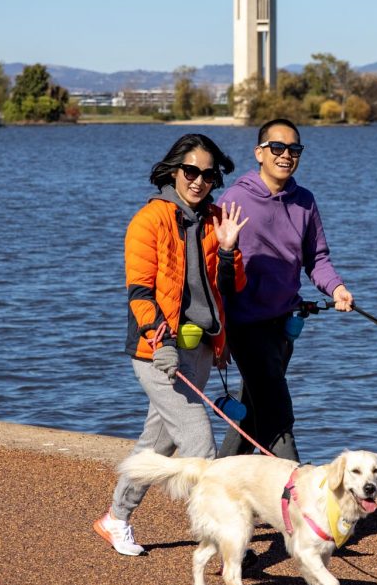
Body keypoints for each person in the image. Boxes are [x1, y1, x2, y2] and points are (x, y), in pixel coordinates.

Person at [93, 133, 248, 556]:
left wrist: (231, 251)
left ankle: (115, 519)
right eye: (191, 171)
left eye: (208, 174)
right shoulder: (149, 220)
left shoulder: (217, 219)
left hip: (200, 349)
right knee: (200, 445)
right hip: (156, 351)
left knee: (156, 445)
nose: (198, 181)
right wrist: (158, 341)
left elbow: (229, 290)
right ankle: (221, 541)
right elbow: (140, 293)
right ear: (174, 171)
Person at [216, 118, 353, 461]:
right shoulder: (235, 199)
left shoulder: (304, 201)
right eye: (277, 148)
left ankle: (219, 480)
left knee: (254, 406)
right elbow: (215, 265)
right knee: (277, 412)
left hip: (283, 325)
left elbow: (317, 258)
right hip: (244, 326)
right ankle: (295, 495)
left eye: (294, 149)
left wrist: (336, 288)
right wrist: (217, 332)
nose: (286, 155)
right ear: (260, 153)